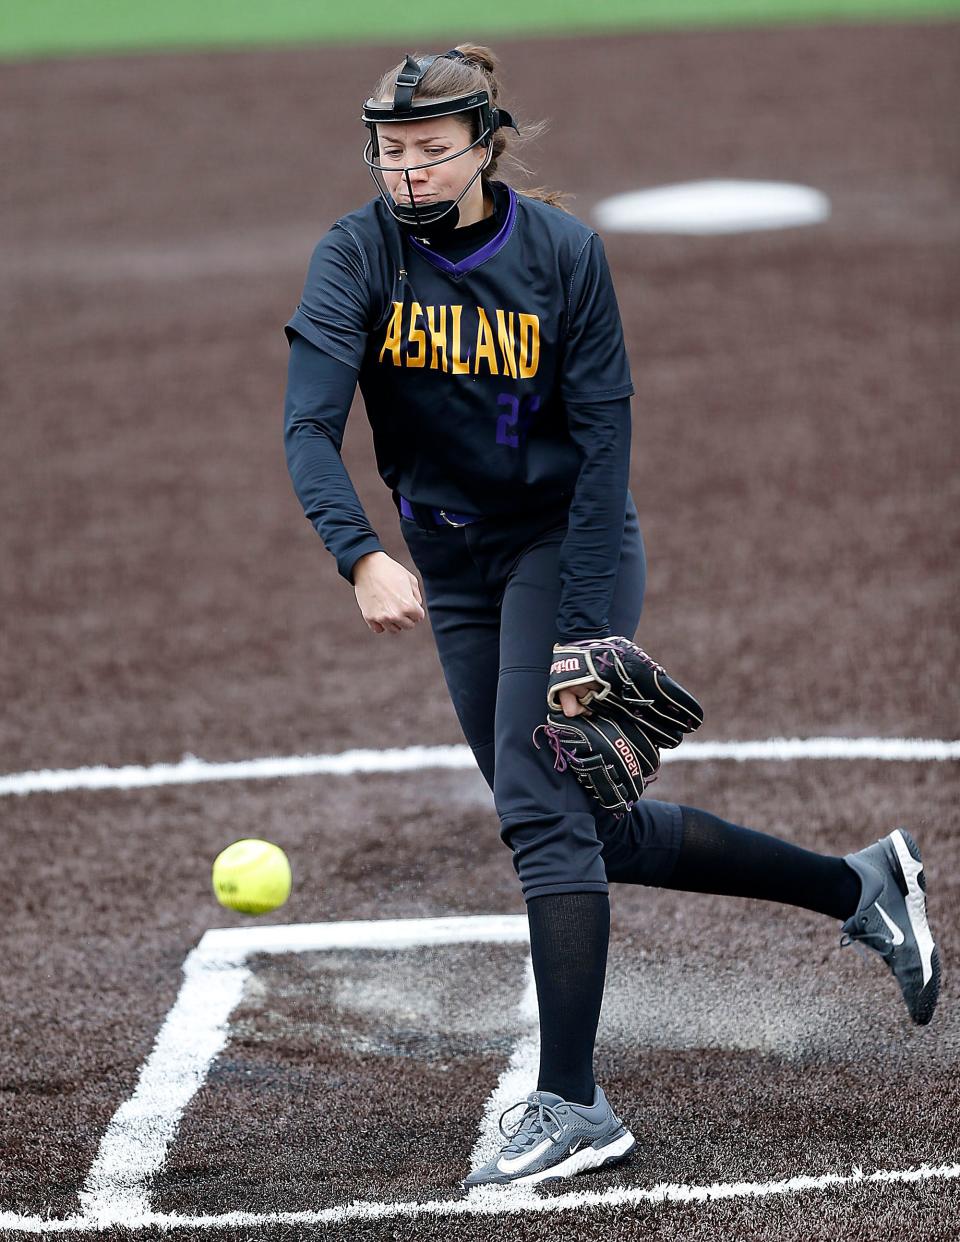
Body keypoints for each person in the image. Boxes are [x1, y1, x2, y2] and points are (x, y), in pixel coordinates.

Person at [283, 44, 941, 1190]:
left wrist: (586, 636)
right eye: (391, 155)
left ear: (486, 147)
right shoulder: (357, 255)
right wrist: (358, 557)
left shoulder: (563, 256)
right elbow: (307, 426)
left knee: (540, 811)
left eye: (432, 154)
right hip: (453, 566)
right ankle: (862, 885)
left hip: (564, 544)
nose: (408, 176)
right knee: (587, 826)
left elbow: (603, 450)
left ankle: (576, 1102)